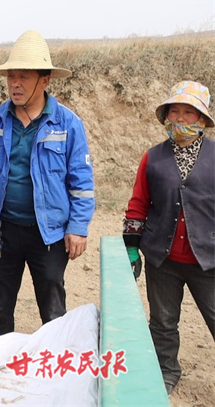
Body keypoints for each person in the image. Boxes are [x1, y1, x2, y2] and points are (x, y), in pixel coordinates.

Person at [0, 30, 95, 342]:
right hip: (4, 232)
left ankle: (56, 371)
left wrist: (78, 227)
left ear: (44, 80)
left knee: (53, 308)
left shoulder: (68, 124)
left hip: (50, 234)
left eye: (24, 77)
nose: (15, 83)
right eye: (11, 76)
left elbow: (81, 183)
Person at [122, 80, 214, 396]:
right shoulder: (153, 158)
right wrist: (132, 247)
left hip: (208, 259)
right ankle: (166, 370)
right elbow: (138, 204)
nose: (180, 118)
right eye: (175, 111)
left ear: (202, 120)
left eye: (189, 113)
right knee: (162, 322)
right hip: (163, 259)